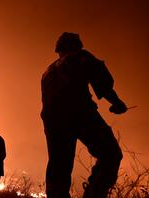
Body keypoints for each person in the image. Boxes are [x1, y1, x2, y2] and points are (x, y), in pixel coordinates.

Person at [41, 32, 128, 198]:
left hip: (53, 123)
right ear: (78, 45)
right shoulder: (81, 57)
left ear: (59, 49)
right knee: (111, 153)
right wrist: (117, 103)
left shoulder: (48, 72)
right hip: (79, 113)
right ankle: (94, 193)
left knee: (58, 168)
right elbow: (103, 83)